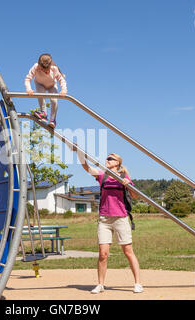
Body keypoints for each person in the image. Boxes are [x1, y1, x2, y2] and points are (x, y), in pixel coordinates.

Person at [76, 150, 143, 294]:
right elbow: (86, 168)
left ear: (117, 163)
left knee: (128, 251)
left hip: (121, 218)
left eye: (111, 158)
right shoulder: (102, 175)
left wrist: (128, 185)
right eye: (107, 158)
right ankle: (100, 284)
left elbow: (136, 196)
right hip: (104, 219)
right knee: (103, 254)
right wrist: (79, 154)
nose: (107, 160)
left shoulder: (125, 177)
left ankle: (138, 283)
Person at [24, 53, 67, 129]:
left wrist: (63, 90)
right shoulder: (35, 67)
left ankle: (52, 119)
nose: (46, 72)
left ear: (50, 66)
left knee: (54, 100)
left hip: (52, 85)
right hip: (40, 84)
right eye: (43, 70)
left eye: (47, 71)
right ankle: (43, 114)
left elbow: (61, 80)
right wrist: (29, 89)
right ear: (39, 66)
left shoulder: (54, 69)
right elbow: (28, 79)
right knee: (40, 95)